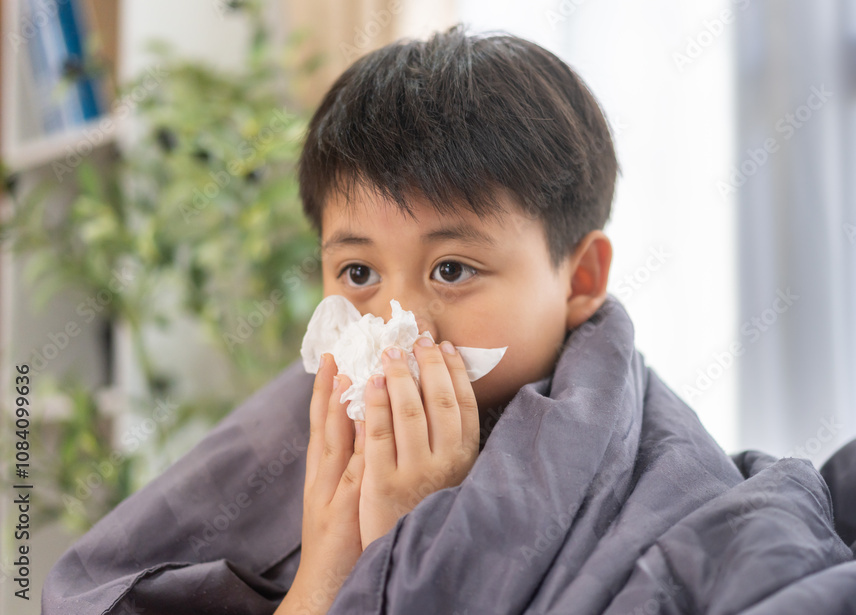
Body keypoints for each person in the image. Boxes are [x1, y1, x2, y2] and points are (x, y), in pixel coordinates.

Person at [42, 23, 619, 614]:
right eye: (359, 273)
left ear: (580, 278)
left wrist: (413, 550)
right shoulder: (311, 409)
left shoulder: (655, 519)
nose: (398, 327)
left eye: (451, 270)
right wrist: (326, 571)